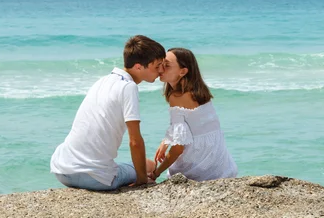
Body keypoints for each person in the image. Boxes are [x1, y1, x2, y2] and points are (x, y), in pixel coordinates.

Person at [50, 35, 165, 190]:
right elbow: (135, 141)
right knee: (149, 165)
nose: (161, 71)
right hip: (93, 178)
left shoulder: (102, 81)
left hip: (62, 169)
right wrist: (142, 181)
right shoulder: (128, 87)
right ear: (138, 67)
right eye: (157, 66)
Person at [150, 48, 237, 182]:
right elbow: (192, 128)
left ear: (183, 71)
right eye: (161, 64)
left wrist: (156, 173)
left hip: (199, 170)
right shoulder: (199, 92)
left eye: (167, 65)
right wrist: (165, 141)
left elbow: (178, 149)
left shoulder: (177, 97)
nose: (161, 69)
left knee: (147, 166)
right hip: (222, 166)